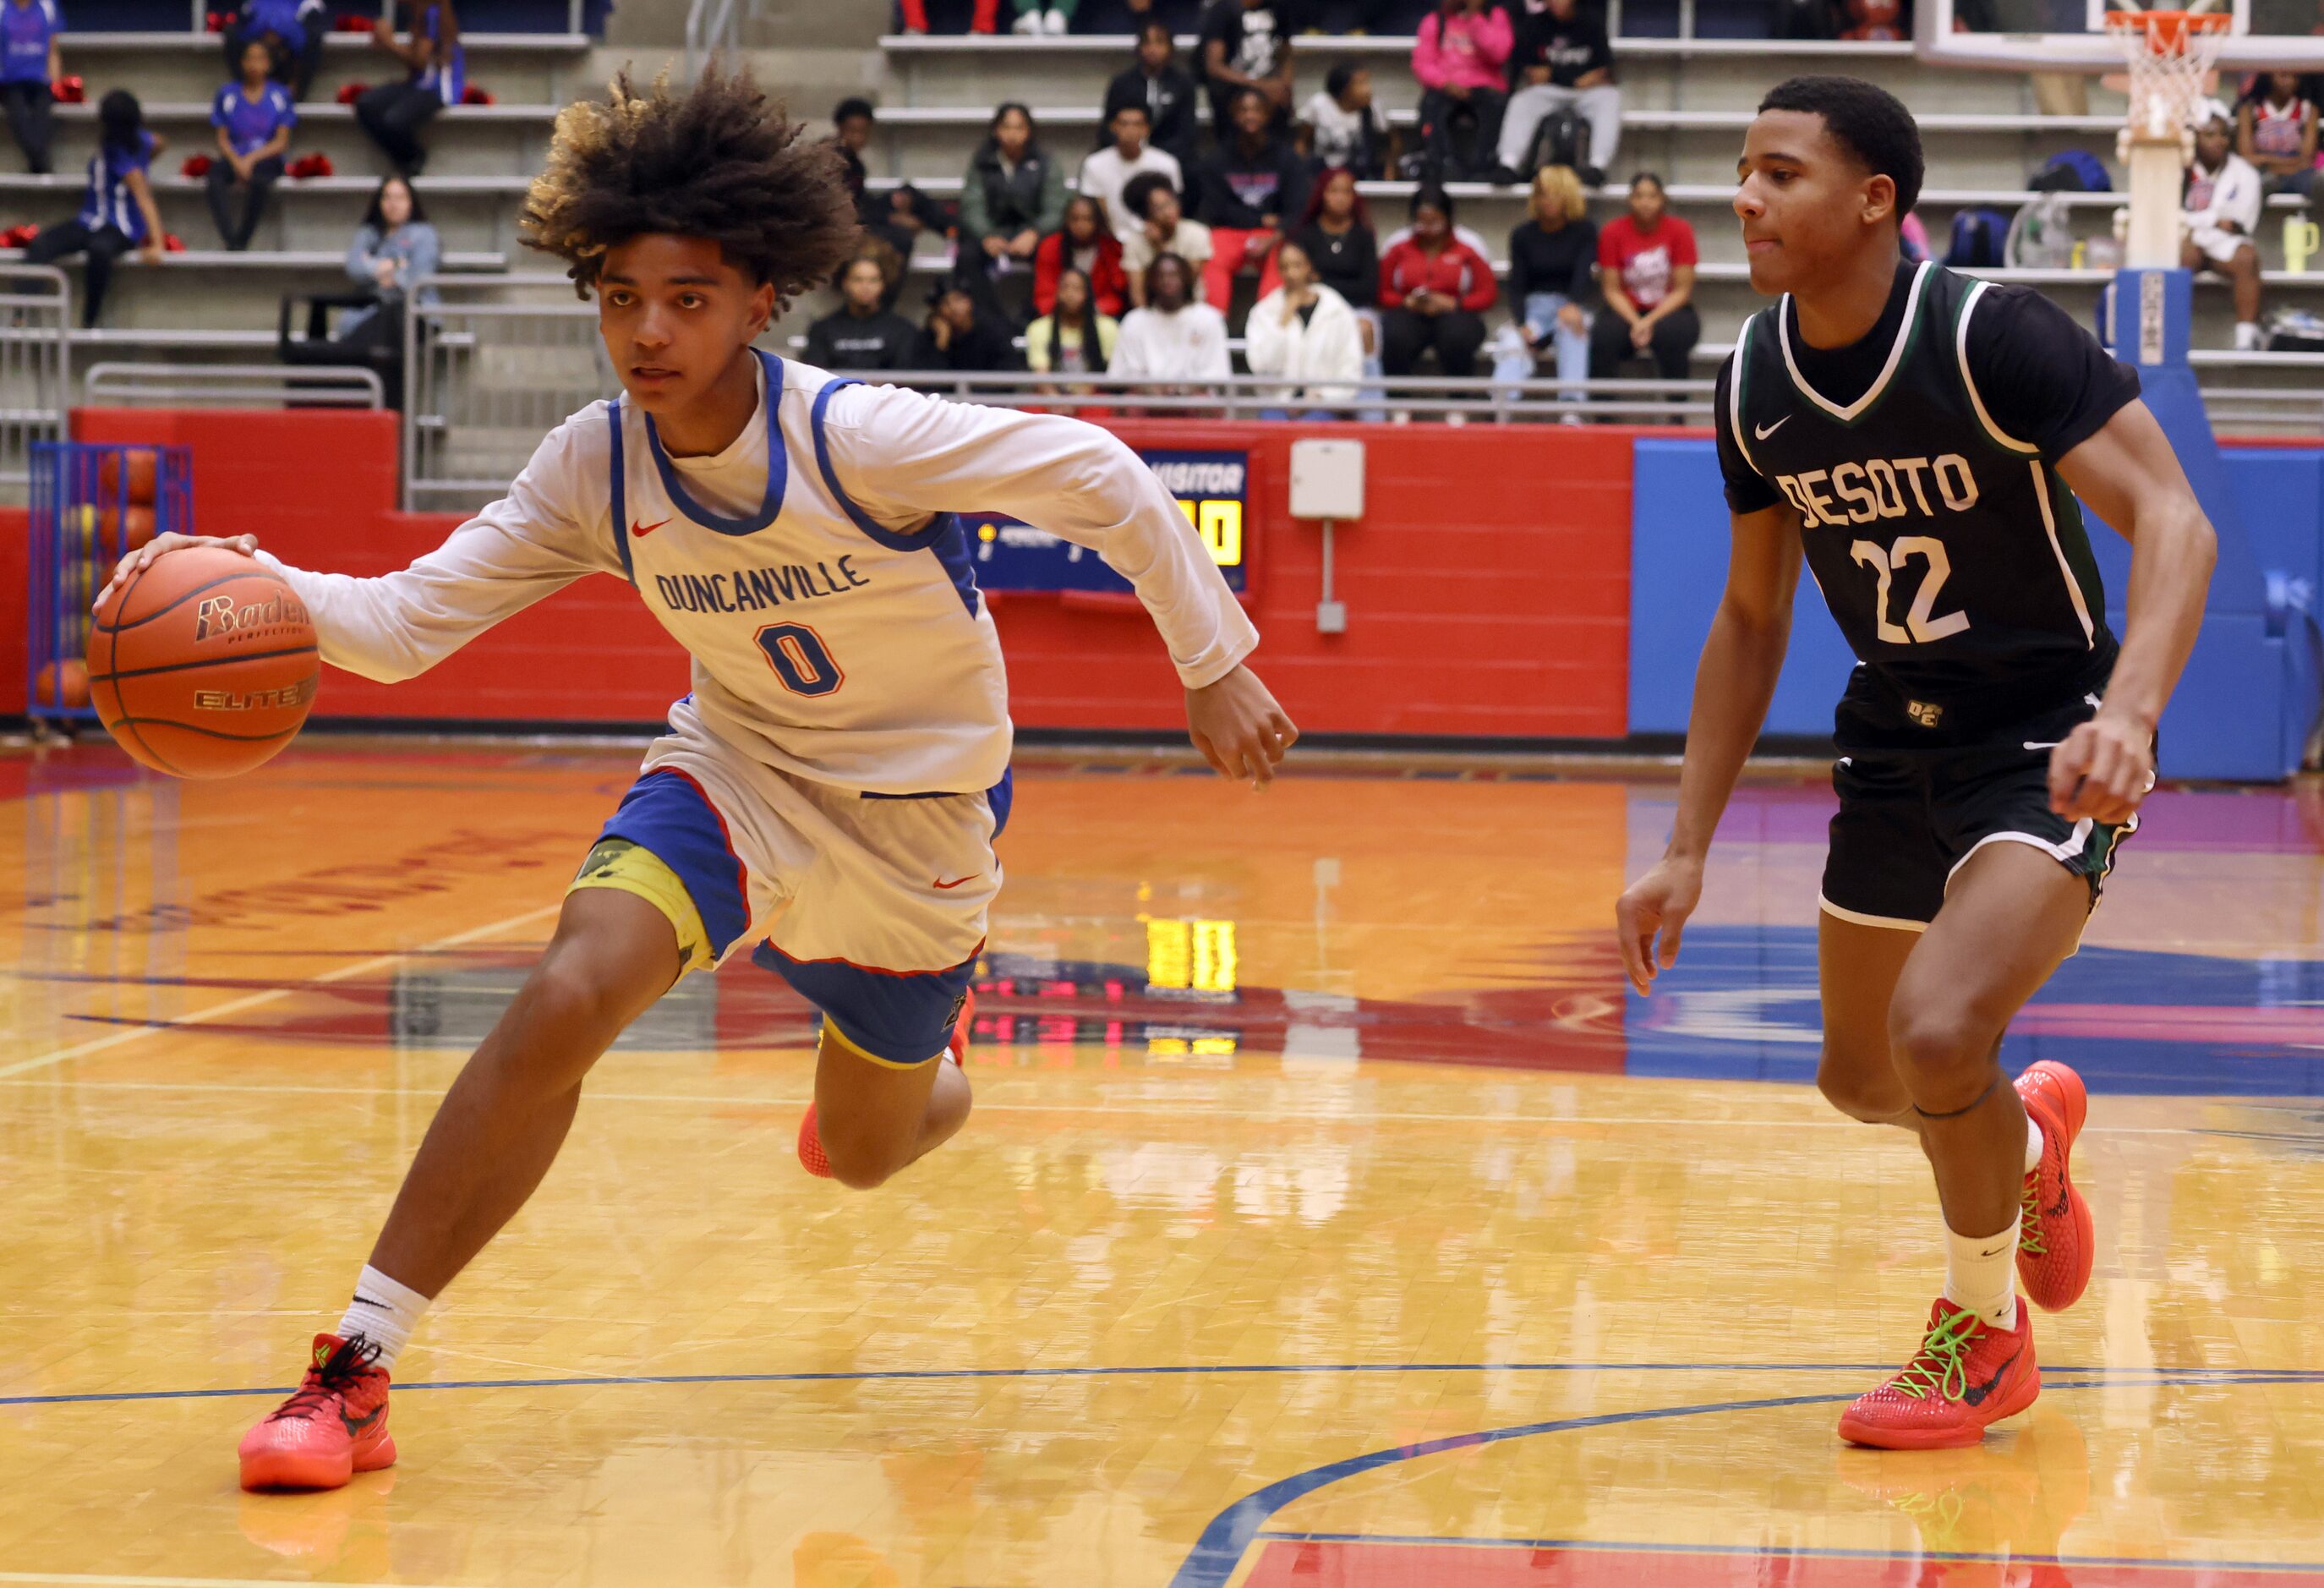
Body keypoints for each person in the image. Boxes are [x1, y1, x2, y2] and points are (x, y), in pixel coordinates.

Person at [100, 66, 1291, 1495]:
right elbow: (410, 624)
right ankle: (352, 1370)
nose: (646, 332)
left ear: (755, 299)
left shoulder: (855, 437)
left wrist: (1208, 656)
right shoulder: (593, 464)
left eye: (685, 298)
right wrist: (235, 581)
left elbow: (1097, 471)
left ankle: (932, 1080)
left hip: (919, 827)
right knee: (568, 985)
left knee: (863, 1150)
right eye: (618, 298)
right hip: (735, 770)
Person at [1618, 73, 2217, 1453]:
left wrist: (2124, 715)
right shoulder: (1752, 377)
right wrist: (1683, 846)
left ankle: (1982, 1334)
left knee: (1937, 1029)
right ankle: (2026, 1145)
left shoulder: (1989, 333)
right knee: (1860, 1079)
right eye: (1742, 171)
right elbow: (1751, 614)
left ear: (1873, 199)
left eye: (1778, 174)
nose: (1744, 198)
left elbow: (2171, 521)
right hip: (1892, 734)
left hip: (2043, 731)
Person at [24, 87, 163, 327]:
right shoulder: (132, 141)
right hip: (90, 220)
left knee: (100, 251)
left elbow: (145, 199)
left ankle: (89, 321)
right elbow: (161, 142)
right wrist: (145, 158)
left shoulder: (121, 154)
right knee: (42, 243)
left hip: (120, 226)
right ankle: (22, 312)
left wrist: (157, 244)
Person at [1196, 86, 1309, 312]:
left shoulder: (1287, 159)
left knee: (1284, 255)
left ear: (1267, 115)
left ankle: (1270, 322)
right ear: (1234, 115)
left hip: (1273, 235)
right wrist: (1260, 219)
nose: (1250, 116)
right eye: (1243, 110)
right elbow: (1216, 208)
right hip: (1230, 233)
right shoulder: (1216, 159)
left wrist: (1276, 233)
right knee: (1209, 252)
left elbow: (1297, 207)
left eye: (1256, 110)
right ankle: (1214, 322)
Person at [1492, 162, 1595, 405]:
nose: (1547, 200)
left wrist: (1573, 305)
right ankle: (1501, 406)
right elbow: (1516, 284)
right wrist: (1521, 324)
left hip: (1571, 305)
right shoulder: (1522, 235)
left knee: (1574, 329)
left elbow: (1583, 274)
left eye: (1554, 193)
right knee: (1513, 342)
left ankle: (1572, 405)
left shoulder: (1585, 231)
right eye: (1542, 193)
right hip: (1535, 308)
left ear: (1568, 196)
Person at [1589, 170, 1698, 390]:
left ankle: (1676, 416)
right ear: (1630, 199)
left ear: (1662, 200)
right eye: (1639, 196)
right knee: (1603, 337)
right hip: (1626, 309)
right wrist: (1636, 321)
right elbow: (1611, 289)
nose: (1645, 203)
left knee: (1672, 336)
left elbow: (1682, 290)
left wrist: (1649, 321)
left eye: (1652, 196)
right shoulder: (1612, 232)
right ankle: (1604, 418)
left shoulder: (1680, 230)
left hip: (1669, 309)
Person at [958, 101, 1066, 319]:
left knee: (1055, 250)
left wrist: (1035, 233)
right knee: (967, 256)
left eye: (1019, 128)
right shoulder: (981, 162)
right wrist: (986, 234)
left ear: (1029, 131)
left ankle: (1038, 315)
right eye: (1006, 127)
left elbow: (1055, 208)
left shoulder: (1046, 163)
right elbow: (972, 205)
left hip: (1033, 233)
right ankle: (990, 319)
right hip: (992, 231)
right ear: (995, 130)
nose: (1012, 134)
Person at [1377, 185, 1497, 378]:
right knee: (1394, 334)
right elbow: (1380, 291)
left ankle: (1458, 401)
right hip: (1410, 310)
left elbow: (1487, 293)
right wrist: (1405, 302)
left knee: (1457, 335)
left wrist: (1454, 303)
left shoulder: (1468, 244)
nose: (1427, 228)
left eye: (1434, 221)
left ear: (1447, 218)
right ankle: (1398, 401)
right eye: (1421, 221)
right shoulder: (1397, 244)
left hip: (1456, 311)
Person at [1496, 0, 1620, 186]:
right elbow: (1533, 73)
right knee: (1522, 101)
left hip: (1586, 93)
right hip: (1549, 92)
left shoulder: (1591, 21)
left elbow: (1603, 70)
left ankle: (1597, 167)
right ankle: (1508, 164)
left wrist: (1555, 74)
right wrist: (1573, 78)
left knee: (1610, 98)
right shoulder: (1534, 24)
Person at [1244, 238, 1362, 419]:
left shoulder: (1338, 311)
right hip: (1276, 404)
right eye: (1284, 267)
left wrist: (1321, 397)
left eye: (1297, 265)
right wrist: (1283, 321)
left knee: (1314, 430)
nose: (1291, 274)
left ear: (1309, 267)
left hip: (1325, 405)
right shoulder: (1263, 312)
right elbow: (1262, 368)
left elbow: (1351, 370)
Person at [833, 96, 949, 272]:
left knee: (908, 193)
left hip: (863, 215)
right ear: (840, 129)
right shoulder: (830, 160)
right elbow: (840, 213)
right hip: (844, 228)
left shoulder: (856, 164)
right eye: (852, 131)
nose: (857, 137)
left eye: (863, 132)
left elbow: (860, 201)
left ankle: (954, 232)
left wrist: (894, 205)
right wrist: (890, 218)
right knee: (901, 237)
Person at [2182, 105, 2264, 351]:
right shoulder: (2180, 169)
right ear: (2194, 137)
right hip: (2188, 241)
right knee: (2180, 255)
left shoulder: (2245, 173)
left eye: (2223, 135)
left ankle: (2246, 340)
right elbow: (2168, 215)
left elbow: (2239, 223)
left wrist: (2199, 219)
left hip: (2224, 243)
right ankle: (2174, 338)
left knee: (2247, 258)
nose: (2218, 141)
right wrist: (2213, 219)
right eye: (2210, 135)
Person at [207, 37, 296, 251]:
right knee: (214, 178)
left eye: (260, 59)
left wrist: (251, 159)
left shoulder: (280, 95)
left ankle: (243, 239)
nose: (254, 64)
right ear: (242, 63)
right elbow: (222, 138)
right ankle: (230, 238)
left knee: (260, 182)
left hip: (266, 158)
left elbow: (281, 142)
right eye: (249, 59)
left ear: (268, 64)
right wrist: (237, 162)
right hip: (235, 156)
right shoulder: (227, 94)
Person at [355, 0, 461, 177]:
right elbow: (415, 65)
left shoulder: (433, 13)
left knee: (393, 121)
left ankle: (414, 157)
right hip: (417, 85)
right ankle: (404, 160)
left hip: (438, 89)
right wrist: (384, 42)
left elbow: (419, 61)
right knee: (366, 104)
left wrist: (389, 41)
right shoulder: (418, 13)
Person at [1412, 0, 1510, 183]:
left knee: (1496, 104)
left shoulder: (1495, 16)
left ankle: (1485, 164)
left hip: (1485, 87)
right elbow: (1422, 63)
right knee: (1431, 103)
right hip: (1447, 87)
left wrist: (1475, 17)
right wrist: (1445, 83)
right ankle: (1443, 163)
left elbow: (1499, 53)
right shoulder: (1435, 21)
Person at [337, 173, 439, 342]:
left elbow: (418, 277)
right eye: (387, 198)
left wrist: (374, 266)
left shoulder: (424, 234)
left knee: (380, 329)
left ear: (411, 202)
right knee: (353, 330)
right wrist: (393, 267)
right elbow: (354, 267)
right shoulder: (368, 233)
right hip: (371, 310)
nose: (393, 204)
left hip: (413, 312)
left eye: (400, 198)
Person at [1113, 251, 1231, 392]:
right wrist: (1151, 390)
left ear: (1186, 279)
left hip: (1195, 403)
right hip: (1145, 401)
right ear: (1150, 281)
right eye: (1160, 276)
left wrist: (1184, 390)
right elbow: (1121, 374)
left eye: (1173, 275)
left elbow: (1216, 373)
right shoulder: (1134, 321)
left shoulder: (1208, 319)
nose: (1166, 281)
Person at [1078, 98, 1180, 238]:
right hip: (1110, 241)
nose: (1130, 130)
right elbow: (1096, 210)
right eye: (1124, 124)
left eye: (1137, 124)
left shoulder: (1166, 164)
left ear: (1146, 129)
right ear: (1113, 127)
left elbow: (1172, 208)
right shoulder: (1094, 164)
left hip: (1156, 237)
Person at [1104, 21, 1199, 170]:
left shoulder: (1183, 83)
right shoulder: (1122, 83)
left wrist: (1154, 158)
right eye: (1147, 43)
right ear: (1139, 47)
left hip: (1171, 158)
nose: (1153, 49)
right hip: (1127, 154)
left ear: (1170, 47)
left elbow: (1186, 133)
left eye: (1159, 42)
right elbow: (1108, 128)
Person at [805, 255, 918, 372]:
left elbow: (904, 378)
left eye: (873, 280)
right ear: (845, 283)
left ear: (883, 284)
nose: (865, 287)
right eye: (858, 280)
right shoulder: (822, 329)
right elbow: (817, 375)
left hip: (884, 390)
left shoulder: (903, 329)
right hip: (840, 390)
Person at [1025, 264, 1119, 403]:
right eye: (1065, 288)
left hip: (1090, 399)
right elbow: (1041, 374)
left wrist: (1077, 401)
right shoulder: (1038, 328)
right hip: (1051, 399)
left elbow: (1106, 372)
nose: (1070, 294)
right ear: (1057, 292)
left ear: (1088, 294)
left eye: (1077, 289)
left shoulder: (1107, 328)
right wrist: (1055, 401)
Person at [1120, 170, 1214, 307]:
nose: (1169, 211)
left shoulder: (1197, 233)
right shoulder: (1134, 242)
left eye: (1170, 202)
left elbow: (1187, 284)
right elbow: (1137, 293)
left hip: (1191, 308)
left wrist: (1160, 247)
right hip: (1152, 311)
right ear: (1145, 215)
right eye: (1159, 208)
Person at [1199, 0, 1292, 136]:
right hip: (1233, 88)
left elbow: (1286, 55)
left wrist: (1285, 86)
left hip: (1269, 84)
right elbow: (1214, 67)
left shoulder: (1278, 8)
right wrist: (1262, 85)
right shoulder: (1222, 10)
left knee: (1280, 100)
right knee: (1246, 102)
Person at [1033, 194, 1127, 319]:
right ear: (1066, 221)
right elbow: (1044, 294)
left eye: (1087, 219)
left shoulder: (1111, 248)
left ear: (1097, 222)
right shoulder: (1050, 247)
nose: (1081, 225)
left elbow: (1116, 295)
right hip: (1057, 316)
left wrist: (1091, 311)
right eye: (1075, 219)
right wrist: (1066, 311)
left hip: (1100, 315)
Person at [911, 275, 1023, 373]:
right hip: (946, 397)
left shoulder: (992, 332)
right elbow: (927, 384)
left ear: (969, 301)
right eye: (945, 303)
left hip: (986, 396)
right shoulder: (932, 336)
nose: (953, 308)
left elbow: (1006, 377)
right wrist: (941, 343)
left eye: (958, 299)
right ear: (938, 310)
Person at [1300, 62, 1389, 181]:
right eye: (1361, 84)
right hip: (1323, 174)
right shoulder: (1319, 105)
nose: (1368, 89)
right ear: (1344, 89)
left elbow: (1390, 144)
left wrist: (1389, 170)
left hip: (1360, 174)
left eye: (1368, 82)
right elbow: (1302, 142)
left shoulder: (1372, 108)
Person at [2, 0, 61, 174]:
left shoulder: (47, 6)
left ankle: (38, 164)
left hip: (40, 79)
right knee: (18, 115)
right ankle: (41, 164)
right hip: (10, 80)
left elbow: (53, 50)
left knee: (43, 116)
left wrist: (56, 84)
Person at [221, 0, 323, 101]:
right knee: (233, 34)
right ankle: (246, 92)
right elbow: (246, 17)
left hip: (290, 52)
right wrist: (266, 29)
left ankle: (293, 96)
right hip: (259, 40)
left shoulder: (310, 6)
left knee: (311, 38)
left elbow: (310, 27)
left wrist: (281, 30)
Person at [2239, 72, 2317, 198]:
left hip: (2296, 176)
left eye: (2295, 77)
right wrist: (2289, 163)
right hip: (2260, 174)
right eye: (2284, 76)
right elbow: (2247, 157)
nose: (2290, 82)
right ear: (2269, 76)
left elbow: (2307, 159)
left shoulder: (2307, 108)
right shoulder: (2250, 108)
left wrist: (2265, 160)